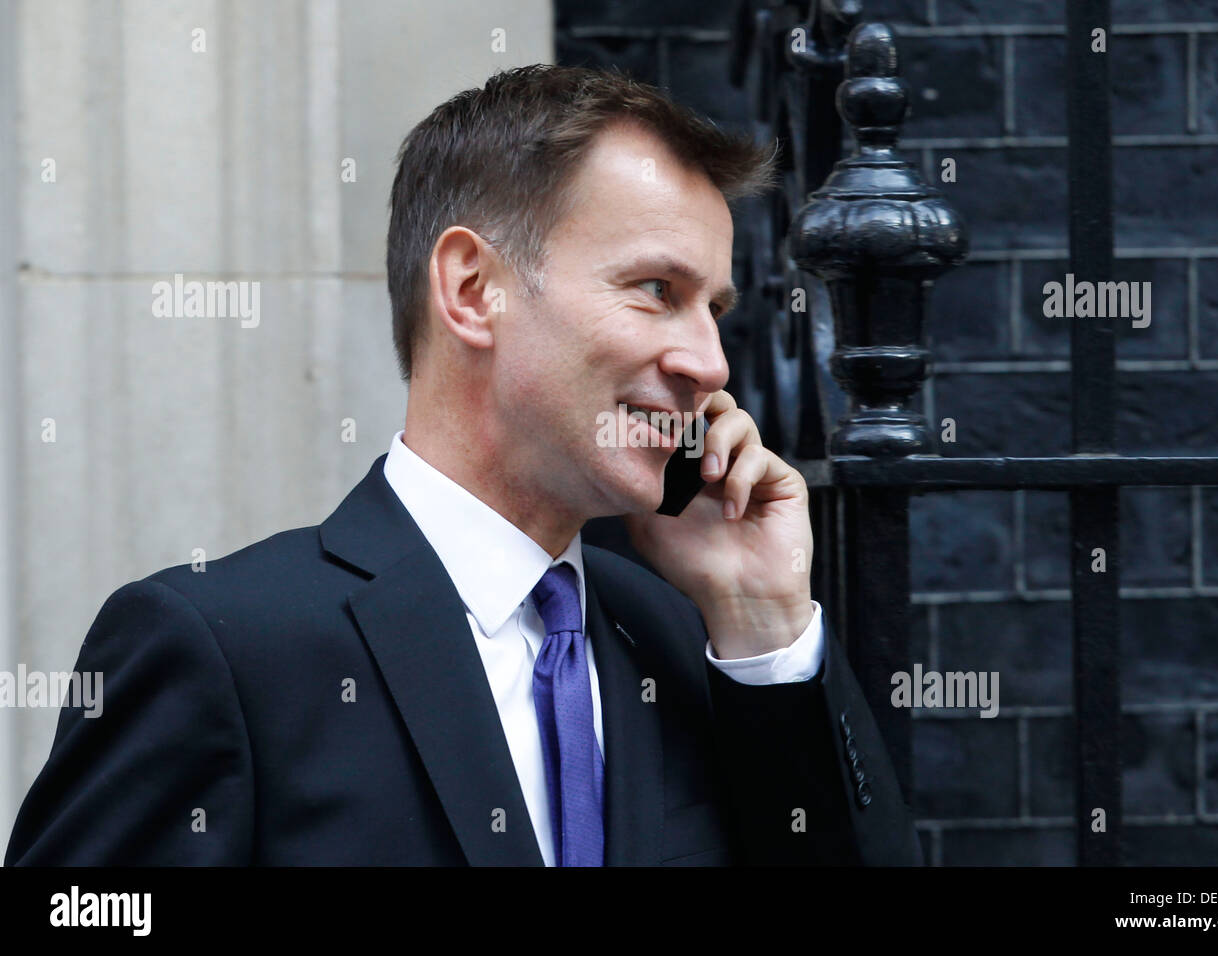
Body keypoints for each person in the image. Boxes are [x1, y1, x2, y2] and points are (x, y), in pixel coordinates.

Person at [5, 64, 922, 866]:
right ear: (473, 291)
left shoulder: (690, 640)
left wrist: (763, 618)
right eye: (657, 291)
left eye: (712, 308)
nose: (710, 363)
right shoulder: (222, 649)